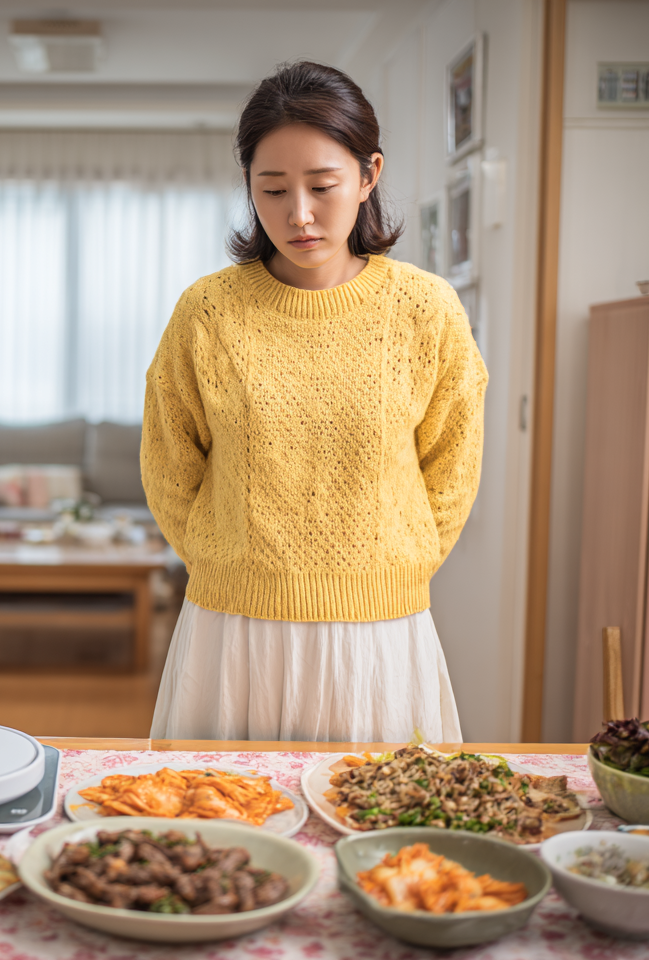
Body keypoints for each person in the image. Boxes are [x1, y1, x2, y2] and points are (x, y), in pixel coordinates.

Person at [142, 61, 487, 743]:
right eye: (272, 190)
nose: (297, 214)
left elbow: (453, 464)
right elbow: (168, 462)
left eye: (322, 186)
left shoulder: (425, 310)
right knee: (222, 834)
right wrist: (227, 562)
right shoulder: (207, 311)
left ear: (368, 176)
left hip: (381, 636)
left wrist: (394, 567)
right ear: (250, 189)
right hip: (231, 632)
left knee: (380, 834)